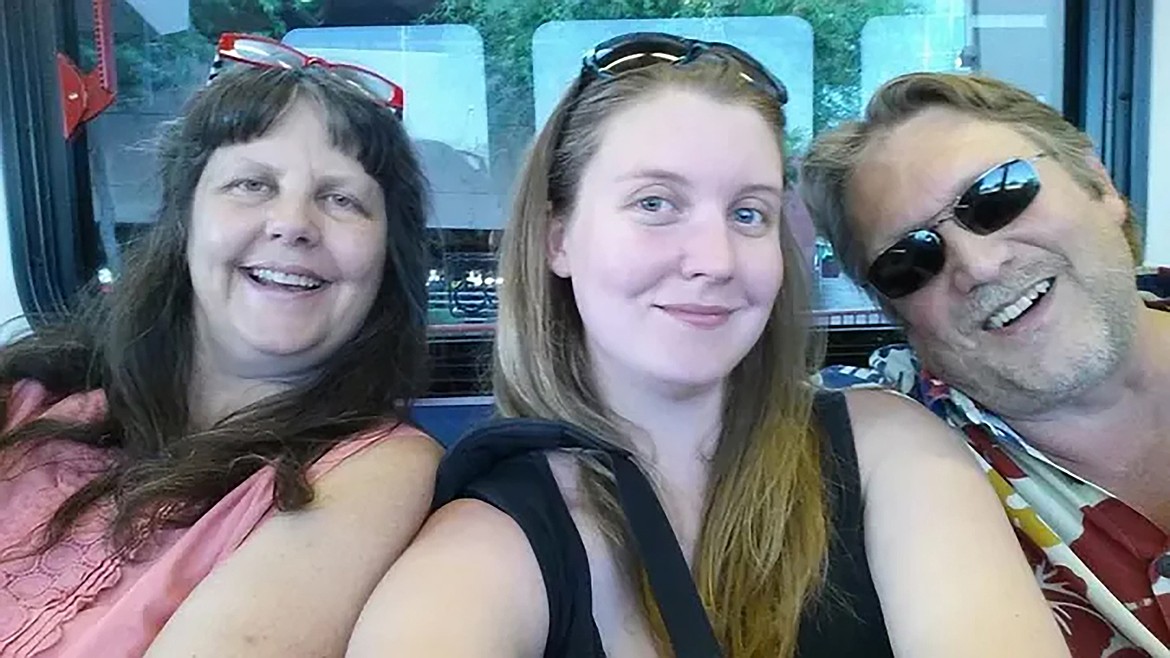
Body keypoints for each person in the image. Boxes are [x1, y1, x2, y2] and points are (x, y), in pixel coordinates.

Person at [345, 33, 1068, 658]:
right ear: (557, 238)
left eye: (748, 213)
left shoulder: (888, 453)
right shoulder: (486, 545)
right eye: (655, 203)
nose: (716, 260)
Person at [0, 36, 441, 658]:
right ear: (184, 224)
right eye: (252, 184)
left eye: (341, 199)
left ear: (386, 261)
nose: (293, 224)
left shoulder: (371, 471)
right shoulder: (28, 400)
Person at [801, 72, 1170, 657]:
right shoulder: (868, 446)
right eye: (909, 259)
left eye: (999, 196)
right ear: (895, 314)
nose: (979, 265)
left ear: (1098, 184)